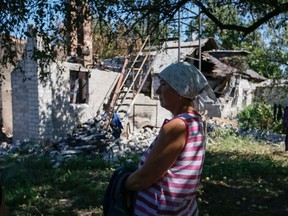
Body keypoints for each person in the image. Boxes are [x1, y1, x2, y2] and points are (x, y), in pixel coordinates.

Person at [124, 61, 208, 215]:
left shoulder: (177, 126)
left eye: (163, 84)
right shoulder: (195, 120)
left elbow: (144, 178)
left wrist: (121, 183)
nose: (157, 91)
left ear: (180, 90)